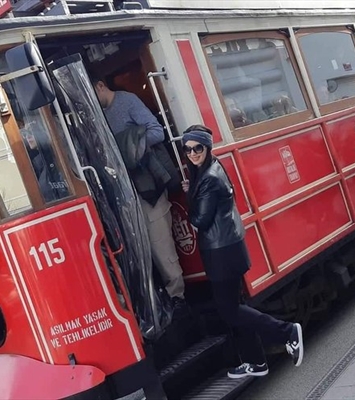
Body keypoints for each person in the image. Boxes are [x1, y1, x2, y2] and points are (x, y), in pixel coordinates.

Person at [181, 125, 304, 378]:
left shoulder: (209, 179)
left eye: (197, 148)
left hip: (221, 253)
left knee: (230, 310)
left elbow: (199, 221)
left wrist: (189, 198)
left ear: (207, 148)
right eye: (187, 149)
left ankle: (288, 332)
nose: (192, 154)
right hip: (228, 248)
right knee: (236, 307)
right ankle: (257, 362)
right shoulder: (210, 170)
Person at [92, 77, 186, 314]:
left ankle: (179, 299)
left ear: (101, 85)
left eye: (94, 93)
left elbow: (157, 132)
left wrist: (128, 149)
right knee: (143, 249)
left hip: (148, 189)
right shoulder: (100, 114)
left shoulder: (128, 101)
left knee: (161, 246)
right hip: (128, 194)